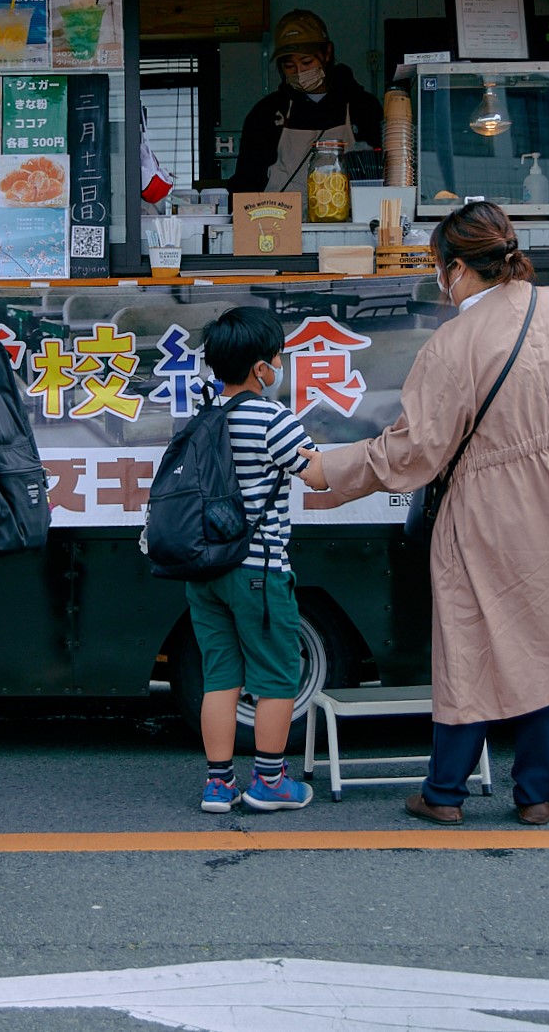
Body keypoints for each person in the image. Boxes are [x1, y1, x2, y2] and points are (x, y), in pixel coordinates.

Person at [303, 203, 549, 827]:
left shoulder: (454, 342)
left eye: (440, 268)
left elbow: (417, 449)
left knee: (469, 641)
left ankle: (444, 795)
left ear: (458, 269)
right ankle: (537, 796)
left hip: (491, 507)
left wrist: (329, 468)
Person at [190, 306, 321, 814]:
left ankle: (218, 785)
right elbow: (317, 474)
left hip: (205, 571)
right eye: (277, 358)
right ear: (260, 368)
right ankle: (269, 781)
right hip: (259, 570)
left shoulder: (202, 418)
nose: (278, 366)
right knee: (276, 675)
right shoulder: (272, 418)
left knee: (220, 674)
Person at [229, 9, 384, 195]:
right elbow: (247, 181)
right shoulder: (266, 113)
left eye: (307, 62)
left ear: (327, 52)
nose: (300, 72)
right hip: (279, 220)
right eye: (289, 66)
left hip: (349, 222)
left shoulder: (362, 106)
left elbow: (384, 174)